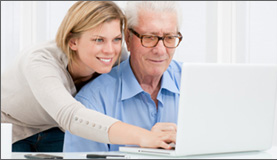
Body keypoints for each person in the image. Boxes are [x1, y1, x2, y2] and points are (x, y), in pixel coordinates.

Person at [1, 1, 176, 152]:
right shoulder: (40, 62)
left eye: (116, 39)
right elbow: (71, 115)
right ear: (73, 41)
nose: (110, 50)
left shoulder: (116, 57)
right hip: (14, 129)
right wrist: (144, 136)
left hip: (58, 129)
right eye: (98, 40)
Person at [63, 1, 183, 152]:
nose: (160, 50)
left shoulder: (197, 84)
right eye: (149, 37)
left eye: (169, 38)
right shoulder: (92, 101)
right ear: (128, 38)